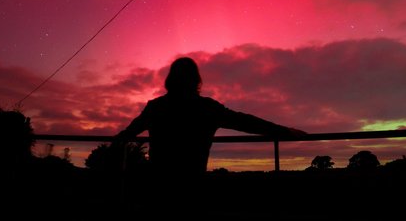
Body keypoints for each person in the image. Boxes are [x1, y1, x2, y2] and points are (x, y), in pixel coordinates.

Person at [113, 56, 307, 214]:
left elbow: (128, 133)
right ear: (197, 81)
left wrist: (118, 143)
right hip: (192, 190)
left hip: (158, 191)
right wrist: (284, 131)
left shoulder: (156, 107)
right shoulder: (207, 108)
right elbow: (247, 122)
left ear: (170, 80)